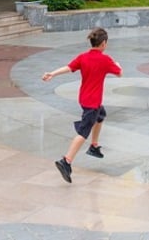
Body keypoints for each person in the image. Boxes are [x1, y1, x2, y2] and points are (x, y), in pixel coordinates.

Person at [42, 27, 122, 183]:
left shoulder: (83, 57)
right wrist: (118, 65)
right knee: (83, 132)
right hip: (93, 103)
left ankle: (94, 146)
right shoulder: (105, 60)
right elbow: (120, 73)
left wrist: (52, 73)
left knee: (101, 116)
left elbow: (68, 68)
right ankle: (66, 161)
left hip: (85, 99)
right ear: (104, 43)